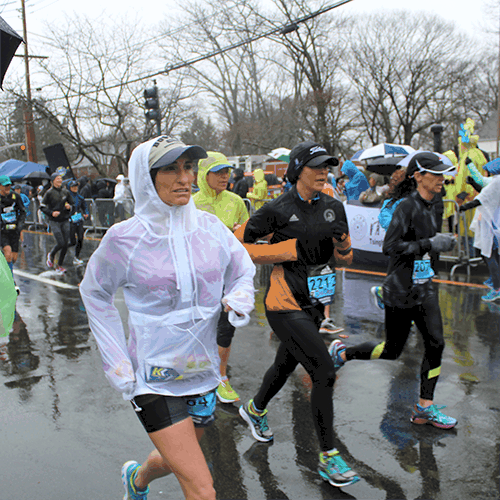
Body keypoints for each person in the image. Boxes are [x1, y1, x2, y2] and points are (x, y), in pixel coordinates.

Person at [79, 135, 255, 500]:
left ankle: (137, 480)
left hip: (201, 371)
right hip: (152, 376)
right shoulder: (124, 239)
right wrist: (117, 362)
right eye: (170, 169)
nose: (184, 178)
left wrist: (239, 295)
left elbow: (242, 269)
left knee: (175, 458)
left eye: (188, 167)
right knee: (202, 486)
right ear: (146, 176)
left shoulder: (209, 228)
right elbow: (95, 293)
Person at [234, 140, 360, 488]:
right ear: (297, 171)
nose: (325, 172)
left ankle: (255, 408)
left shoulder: (334, 207)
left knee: (285, 364)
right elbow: (237, 245)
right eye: (317, 166)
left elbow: (344, 260)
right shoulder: (277, 209)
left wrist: (343, 246)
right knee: (322, 369)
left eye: (328, 166)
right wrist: (286, 250)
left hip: (316, 303)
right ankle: (328, 457)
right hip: (282, 302)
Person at [330, 152, 458, 430]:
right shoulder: (406, 207)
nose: (441, 179)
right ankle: (343, 354)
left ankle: (424, 407)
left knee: (436, 344)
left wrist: (437, 250)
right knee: (391, 351)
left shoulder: (435, 204)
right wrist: (429, 244)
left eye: (443, 174)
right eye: (435, 174)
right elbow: (391, 248)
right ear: (418, 176)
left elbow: (429, 244)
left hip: (425, 288)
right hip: (401, 289)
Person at [193, 152, 250, 404]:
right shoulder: (189, 203)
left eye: (227, 171)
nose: (225, 176)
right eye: (218, 172)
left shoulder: (236, 201)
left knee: (225, 329)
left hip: (226, 276)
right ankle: (196, 375)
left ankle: (221, 378)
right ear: (204, 175)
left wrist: (237, 235)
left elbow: (246, 235)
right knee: (199, 327)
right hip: (198, 279)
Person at [459, 158, 500, 302]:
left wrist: (463, 207)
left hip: (491, 225)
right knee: (494, 254)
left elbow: (482, 198)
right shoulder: (496, 181)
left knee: (490, 255)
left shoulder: (496, 181)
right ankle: (496, 282)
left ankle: (497, 288)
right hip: (496, 222)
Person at [40, 173, 73, 273]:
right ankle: (51, 254)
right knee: (61, 243)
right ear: (52, 181)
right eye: (57, 179)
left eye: (60, 179)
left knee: (66, 244)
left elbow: (72, 203)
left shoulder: (65, 192)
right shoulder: (49, 193)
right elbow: (42, 206)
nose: (59, 181)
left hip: (64, 219)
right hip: (54, 221)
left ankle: (59, 265)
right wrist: (51, 213)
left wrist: (69, 207)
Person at [0, 176, 25, 287]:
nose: (8, 187)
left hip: (14, 230)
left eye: (9, 185)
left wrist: (20, 226)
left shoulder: (15, 196)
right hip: (2, 231)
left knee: (13, 258)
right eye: (5, 185)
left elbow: (22, 212)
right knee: (8, 252)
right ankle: (10, 281)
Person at [67, 179, 89, 265]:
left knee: (80, 238)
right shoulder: (66, 197)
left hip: (78, 220)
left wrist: (86, 213)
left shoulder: (80, 197)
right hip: (69, 221)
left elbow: (85, 207)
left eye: (76, 186)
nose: (75, 188)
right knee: (72, 242)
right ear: (70, 188)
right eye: (73, 186)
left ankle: (76, 257)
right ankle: (61, 248)